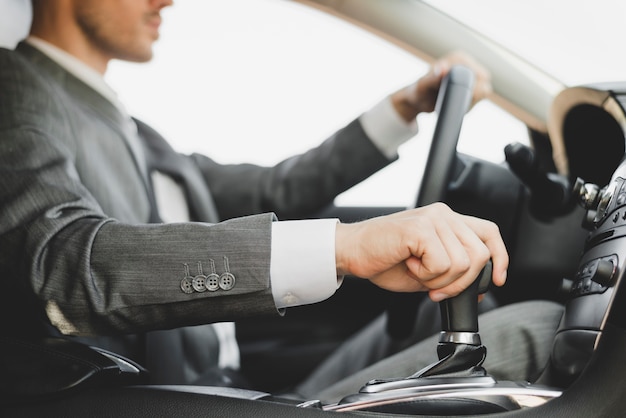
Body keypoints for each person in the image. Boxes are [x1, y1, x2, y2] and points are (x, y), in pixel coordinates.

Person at [0, 0, 559, 403]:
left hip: (244, 391)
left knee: (446, 315)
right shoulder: (15, 83)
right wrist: (344, 247)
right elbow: (61, 263)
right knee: (538, 331)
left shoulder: (134, 130)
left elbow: (277, 192)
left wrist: (407, 106)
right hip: (179, 401)